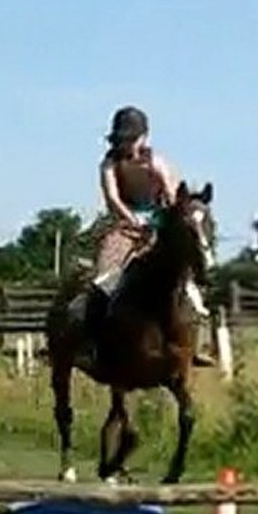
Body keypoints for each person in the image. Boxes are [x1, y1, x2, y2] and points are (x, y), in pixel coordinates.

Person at [87, 105, 213, 364]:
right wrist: (132, 220)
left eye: (131, 139)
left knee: (184, 278)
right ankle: (93, 342)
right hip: (124, 225)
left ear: (144, 138)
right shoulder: (110, 164)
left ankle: (196, 344)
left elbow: (170, 193)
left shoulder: (156, 162)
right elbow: (112, 198)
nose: (126, 145)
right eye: (121, 140)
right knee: (103, 278)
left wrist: (167, 217)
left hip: (158, 223)